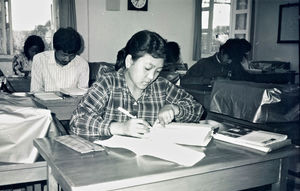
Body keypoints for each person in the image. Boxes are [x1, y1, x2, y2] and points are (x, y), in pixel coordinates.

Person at [69, 30, 204, 139]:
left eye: (158, 71)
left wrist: (174, 108)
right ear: (129, 61)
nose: (151, 77)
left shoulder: (162, 86)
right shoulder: (108, 83)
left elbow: (198, 109)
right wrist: (120, 128)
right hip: (110, 165)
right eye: (147, 68)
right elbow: (77, 121)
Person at [30, 27, 89, 92]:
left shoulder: (82, 64)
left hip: (73, 102)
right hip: (45, 102)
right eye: (64, 55)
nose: (67, 59)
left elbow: (83, 93)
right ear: (55, 49)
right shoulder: (40, 60)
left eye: (72, 55)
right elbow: (36, 90)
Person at [180, 38, 252, 87]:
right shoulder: (204, 63)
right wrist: (210, 81)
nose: (230, 62)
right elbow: (184, 80)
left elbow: (245, 78)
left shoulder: (234, 64)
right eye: (229, 58)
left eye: (233, 59)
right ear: (222, 52)